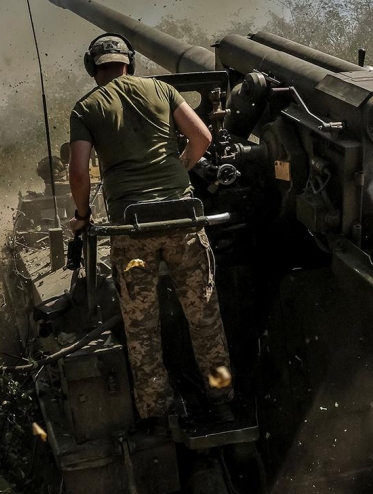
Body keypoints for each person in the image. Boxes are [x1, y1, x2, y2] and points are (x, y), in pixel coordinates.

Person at [67, 33, 232, 422]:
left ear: (93, 68)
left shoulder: (86, 108)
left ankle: (158, 413)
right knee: (205, 317)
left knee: (142, 327)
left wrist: (83, 217)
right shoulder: (161, 90)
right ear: (130, 62)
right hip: (183, 218)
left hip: (132, 228)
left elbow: (79, 173)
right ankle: (222, 401)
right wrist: (181, 170)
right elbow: (203, 137)